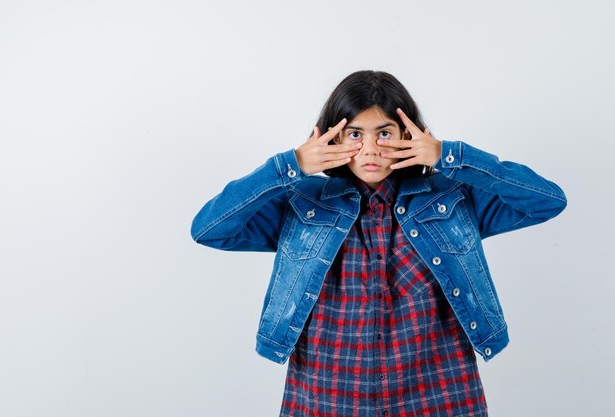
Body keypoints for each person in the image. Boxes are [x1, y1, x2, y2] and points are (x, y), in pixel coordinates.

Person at [190, 70, 567, 416]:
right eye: (355, 134)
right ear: (331, 137)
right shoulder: (304, 202)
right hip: (328, 391)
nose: (370, 149)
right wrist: (289, 165)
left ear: (409, 134)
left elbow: (547, 200)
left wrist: (448, 156)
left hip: (438, 389)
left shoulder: (451, 197)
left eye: (384, 133)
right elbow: (210, 228)